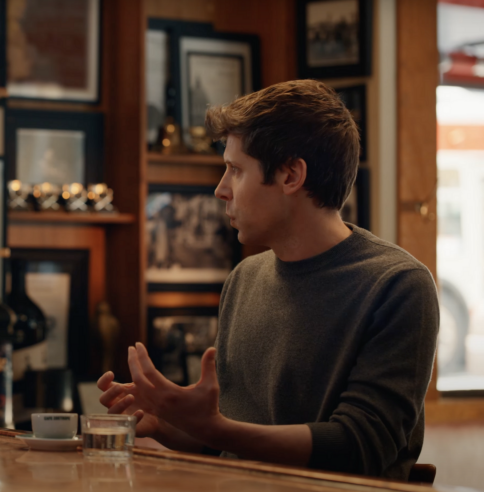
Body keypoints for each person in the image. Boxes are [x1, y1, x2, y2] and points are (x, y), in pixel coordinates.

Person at [98, 80, 439, 480]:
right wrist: (169, 424)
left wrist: (214, 428)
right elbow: (235, 443)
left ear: (291, 175)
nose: (221, 189)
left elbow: (360, 448)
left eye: (235, 170)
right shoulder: (245, 278)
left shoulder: (398, 286)